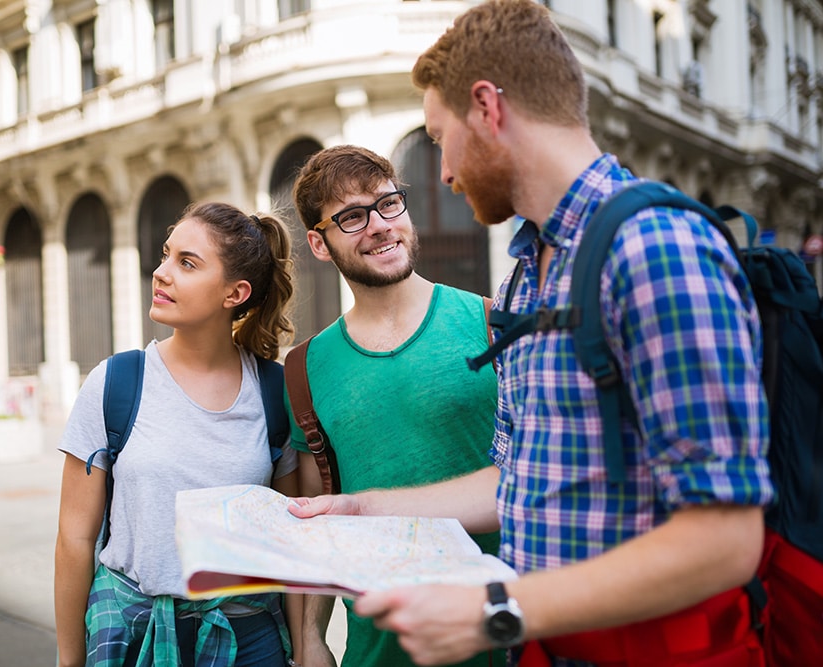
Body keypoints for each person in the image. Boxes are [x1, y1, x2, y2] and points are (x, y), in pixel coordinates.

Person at [290, 2, 773, 665]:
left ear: (488, 108)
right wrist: (364, 508)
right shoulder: (527, 276)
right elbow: (515, 479)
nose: (444, 174)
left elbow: (725, 537)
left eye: (440, 139)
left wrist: (499, 610)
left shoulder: (655, 248)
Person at [55, 202, 302, 667]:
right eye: (166, 255)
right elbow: (73, 538)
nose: (161, 272)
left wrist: (305, 646)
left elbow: (288, 541)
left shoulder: (274, 392)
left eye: (186, 263)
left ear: (235, 293)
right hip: (132, 635)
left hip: (248, 639)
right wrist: (69, 660)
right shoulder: (114, 383)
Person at [288, 144, 502, 667]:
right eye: (352, 217)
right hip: (379, 649)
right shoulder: (303, 370)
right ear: (319, 243)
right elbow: (315, 514)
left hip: (505, 637)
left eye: (389, 204)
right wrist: (310, 637)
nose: (380, 225)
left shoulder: (492, 323)